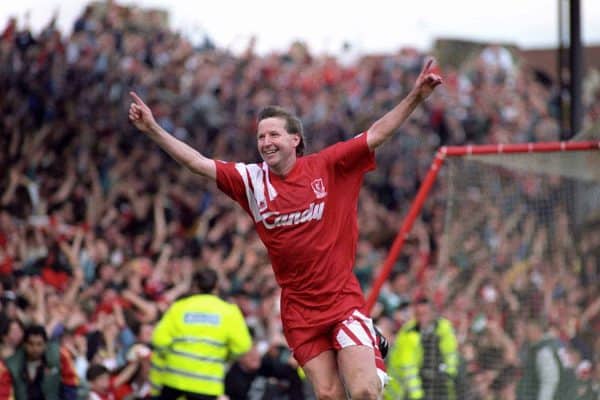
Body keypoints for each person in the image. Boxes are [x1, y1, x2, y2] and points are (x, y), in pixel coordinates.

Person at [129, 58, 442, 400]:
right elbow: (196, 163)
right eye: (261, 136)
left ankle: (373, 361)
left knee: (365, 392)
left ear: (295, 139)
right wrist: (154, 130)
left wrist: (416, 97)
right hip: (298, 310)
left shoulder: (327, 166)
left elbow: (377, 133)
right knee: (327, 396)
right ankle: (368, 350)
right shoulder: (251, 180)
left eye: (274, 134)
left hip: (341, 300)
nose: (266, 142)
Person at [150, 267, 252, 400]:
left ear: (195, 286)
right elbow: (243, 346)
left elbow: (159, 340)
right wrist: (223, 356)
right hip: (207, 385)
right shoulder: (229, 312)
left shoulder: (179, 307)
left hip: (174, 380)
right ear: (216, 286)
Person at [384, 293, 458, 400]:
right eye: (419, 314)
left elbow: (450, 354)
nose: (423, 318)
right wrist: (417, 396)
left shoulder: (444, 328)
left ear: (433, 312)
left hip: (436, 386)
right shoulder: (409, 333)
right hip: (404, 390)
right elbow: (409, 369)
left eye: (425, 313)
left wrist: (448, 374)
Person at [3, 324, 79, 400]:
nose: (35, 348)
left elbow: (71, 383)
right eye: (31, 344)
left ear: (45, 344)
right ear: (24, 344)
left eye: (39, 344)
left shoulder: (59, 355)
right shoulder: (11, 365)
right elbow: (5, 394)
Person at [516, 318, 574, 400]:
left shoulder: (544, 351)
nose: (526, 334)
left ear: (536, 329)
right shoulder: (556, 344)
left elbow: (549, 382)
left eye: (527, 330)